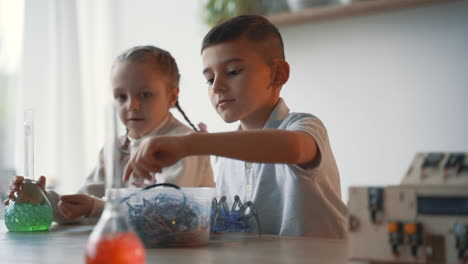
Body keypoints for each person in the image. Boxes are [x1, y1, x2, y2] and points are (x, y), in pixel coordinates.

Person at [123, 15, 347, 238]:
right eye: (210, 79)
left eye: (233, 72)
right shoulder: (226, 157)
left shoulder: (304, 125)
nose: (217, 86)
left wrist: (189, 143)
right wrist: (101, 208)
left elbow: (295, 148)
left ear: (278, 74)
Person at [5, 46, 215, 224]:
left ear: (172, 96)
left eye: (145, 94)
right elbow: (81, 205)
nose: (132, 105)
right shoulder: (115, 148)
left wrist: (95, 208)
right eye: (121, 96)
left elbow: (168, 217)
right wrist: (41, 199)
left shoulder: (186, 145)